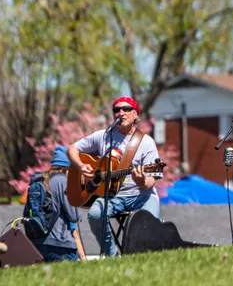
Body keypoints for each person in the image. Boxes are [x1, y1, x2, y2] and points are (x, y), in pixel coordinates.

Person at [67, 96, 162, 256]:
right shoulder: (103, 136)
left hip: (142, 196)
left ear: (135, 115)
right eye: (117, 110)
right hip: (113, 196)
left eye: (126, 109)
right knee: (95, 214)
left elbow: (151, 181)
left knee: (150, 223)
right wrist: (81, 166)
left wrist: (142, 181)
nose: (121, 113)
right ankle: (112, 256)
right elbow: (71, 149)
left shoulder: (146, 142)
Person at [32, 146, 81, 262]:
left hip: (39, 243)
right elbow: (74, 216)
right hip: (61, 244)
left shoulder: (40, 180)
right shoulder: (63, 181)